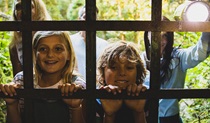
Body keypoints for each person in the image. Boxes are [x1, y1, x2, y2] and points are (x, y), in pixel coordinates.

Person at [0, 31, 86, 123]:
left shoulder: (76, 85)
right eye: (43, 49)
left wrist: (75, 108)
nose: (50, 55)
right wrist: (12, 105)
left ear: (68, 54)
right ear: (35, 54)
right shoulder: (22, 80)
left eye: (57, 49)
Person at [141, 16, 210, 123]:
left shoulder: (178, 57)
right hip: (144, 117)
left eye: (164, 35)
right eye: (155, 34)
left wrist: (206, 25)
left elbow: (199, 54)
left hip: (169, 118)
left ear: (169, 37)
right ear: (147, 35)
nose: (160, 39)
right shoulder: (141, 59)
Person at [96, 41, 148, 123]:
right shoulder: (95, 99)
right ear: (103, 71)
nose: (122, 73)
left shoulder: (145, 97)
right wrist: (109, 115)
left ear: (138, 72)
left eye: (129, 67)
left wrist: (139, 112)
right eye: (114, 67)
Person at [9, 0, 51, 76]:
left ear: (39, 10)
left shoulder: (53, 37)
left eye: (30, 7)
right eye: (18, 7)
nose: (23, 10)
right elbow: (17, 79)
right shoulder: (15, 46)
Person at [70, 5, 109, 80]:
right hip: (74, 87)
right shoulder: (70, 42)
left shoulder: (104, 45)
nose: (90, 22)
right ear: (79, 20)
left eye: (94, 18)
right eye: (85, 17)